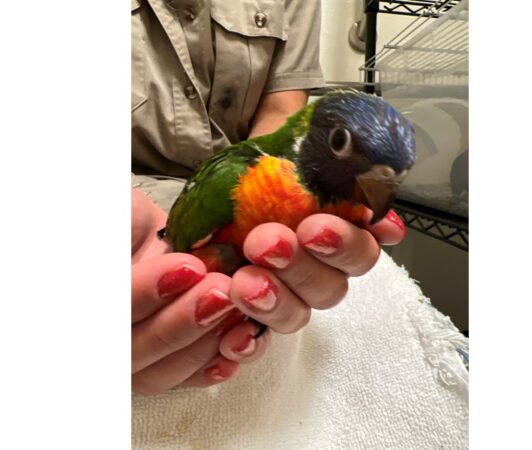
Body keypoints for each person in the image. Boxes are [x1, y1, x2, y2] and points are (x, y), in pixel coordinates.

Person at [132, 0, 468, 448]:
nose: (374, 187)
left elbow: (280, 107)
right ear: (311, 135)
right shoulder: (239, 180)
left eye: (392, 179)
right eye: (341, 142)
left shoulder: (347, 207)